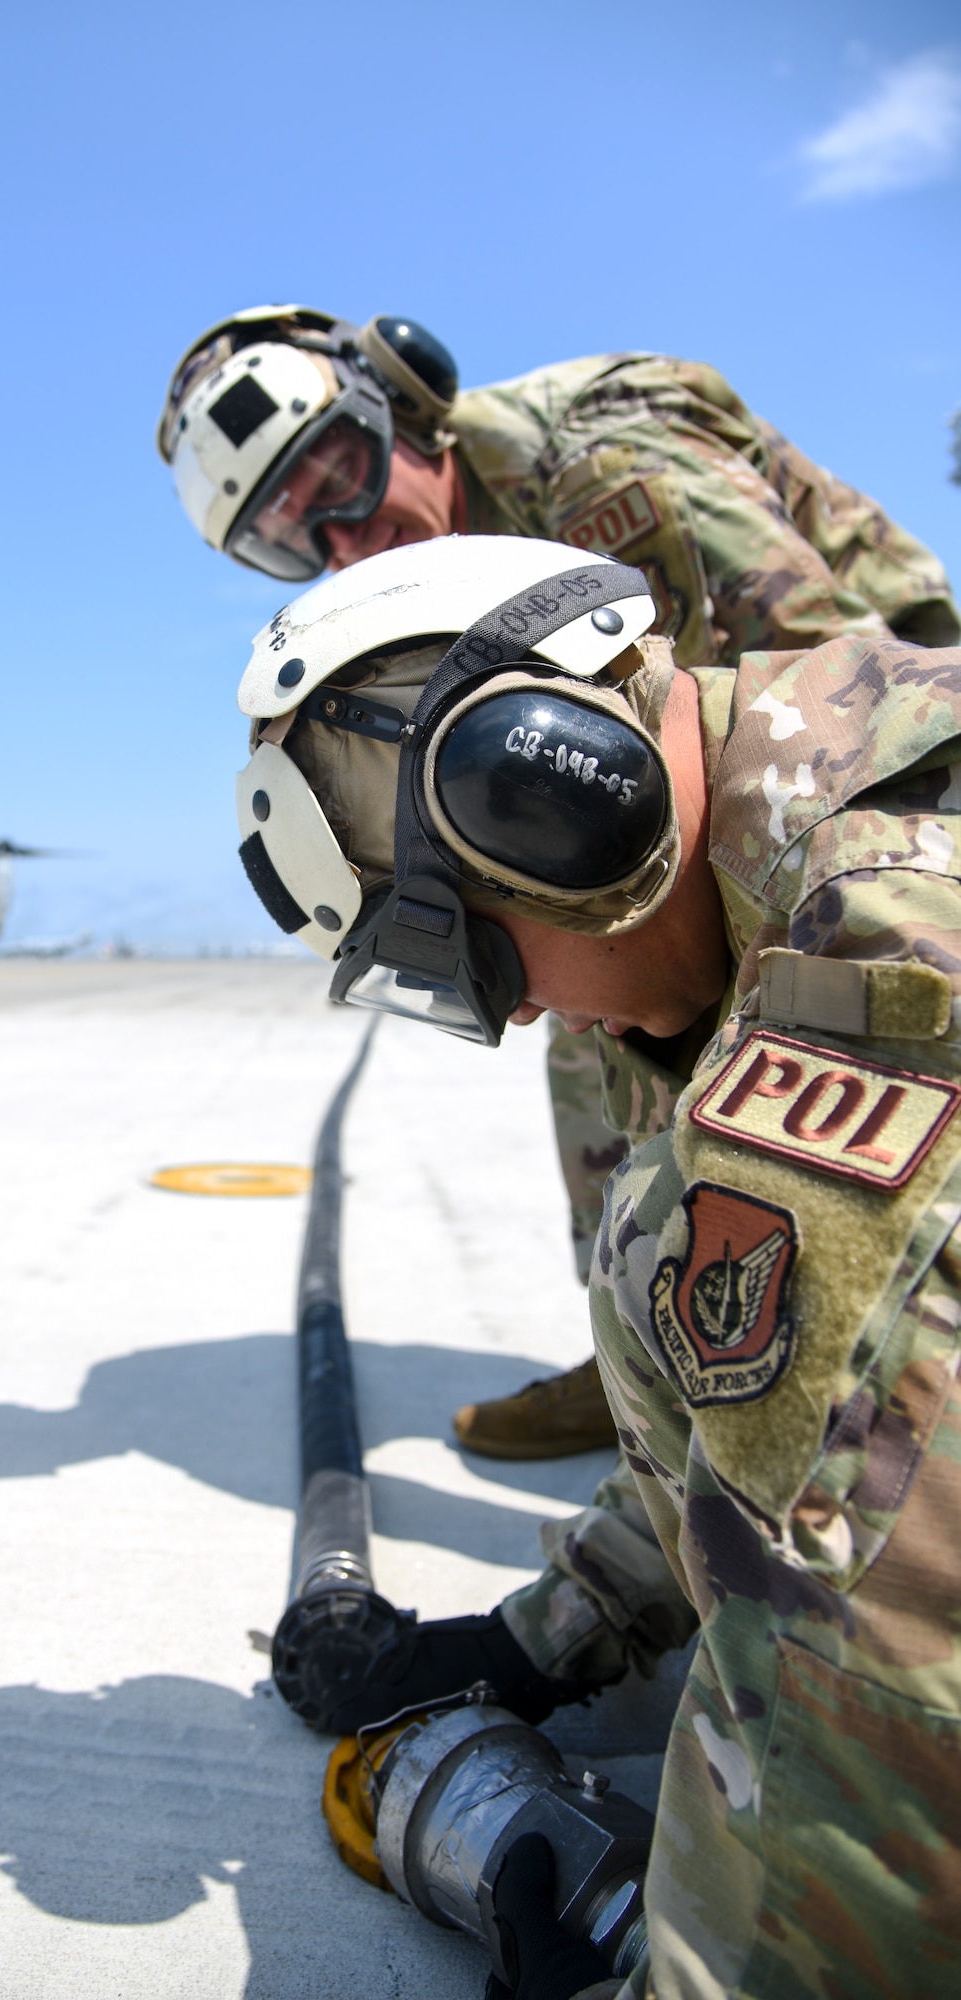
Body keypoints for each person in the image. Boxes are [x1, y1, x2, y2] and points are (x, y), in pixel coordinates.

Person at [227, 532, 961, 1997]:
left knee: (680, 1229)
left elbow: (892, 1654)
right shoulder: (851, 741)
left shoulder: (880, 944)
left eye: (466, 961)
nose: (507, 1021)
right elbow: (817, 1423)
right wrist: (541, 1645)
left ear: (550, 796)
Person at [159, 304, 961, 1460]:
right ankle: (660, 1324)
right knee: (564, 980)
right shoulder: (427, 583)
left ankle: (797, 1307)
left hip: (877, 775)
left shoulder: (598, 467)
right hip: (694, 773)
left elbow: (830, 676)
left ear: (403, 397)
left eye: (336, 470)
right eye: (294, 539)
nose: (345, 534)